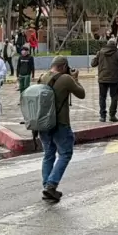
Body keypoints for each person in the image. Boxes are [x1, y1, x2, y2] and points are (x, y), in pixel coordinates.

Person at [35, 56, 85, 202]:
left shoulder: (42, 77)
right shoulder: (65, 79)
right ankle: (51, 185)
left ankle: (47, 186)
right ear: (63, 66)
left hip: (43, 123)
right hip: (60, 123)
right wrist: (75, 78)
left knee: (48, 154)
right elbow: (81, 94)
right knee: (65, 153)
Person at [90, 39, 118, 122]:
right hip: (114, 79)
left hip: (102, 78)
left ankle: (103, 116)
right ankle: (112, 115)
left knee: (102, 97)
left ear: (107, 44)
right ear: (115, 45)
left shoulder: (100, 52)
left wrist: (96, 56)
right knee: (114, 97)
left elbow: (93, 64)